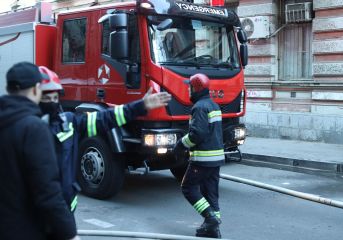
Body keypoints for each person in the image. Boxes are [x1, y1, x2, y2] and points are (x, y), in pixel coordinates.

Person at [37, 66, 172, 209]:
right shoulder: (23, 130)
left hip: (64, 212)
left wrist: (141, 106)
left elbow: (105, 119)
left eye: (55, 98)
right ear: (34, 97)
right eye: (46, 98)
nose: (52, 102)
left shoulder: (68, 122)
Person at [0, 62, 79, 240]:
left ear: (8, 88)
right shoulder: (33, 128)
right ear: (36, 89)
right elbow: (48, 192)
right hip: (26, 230)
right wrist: (69, 234)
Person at [174, 73, 224, 238]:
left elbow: (197, 134)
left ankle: (210, 218)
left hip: (202, 159)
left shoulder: (199, 107)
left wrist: (181, 144)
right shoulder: (214, 105)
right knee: (211, 193)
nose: (189, 90)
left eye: (190, 87)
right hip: (216, 159)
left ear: (195, 88)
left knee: (188, 188)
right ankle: (213, 230)